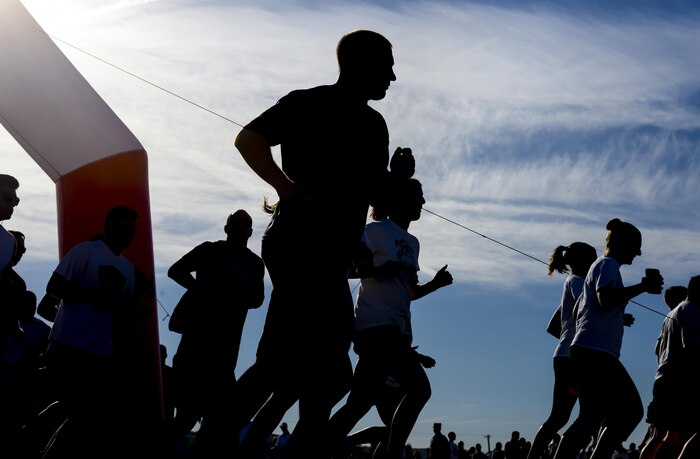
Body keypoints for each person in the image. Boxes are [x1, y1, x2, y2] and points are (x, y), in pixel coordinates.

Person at [232, 29, 415, 458]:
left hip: (328, 256)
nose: (392, 74)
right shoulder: (307, 102)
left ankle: (291, 447)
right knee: (292, 366)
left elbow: (373, 194)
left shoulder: (374, 124)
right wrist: (288, 189)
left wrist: (397, 176)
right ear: (359, 64)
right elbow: (248, 139)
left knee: (325, 374)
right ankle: (218, 439)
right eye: (386, 64)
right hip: (299, 245)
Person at [327, 177, 452, 459]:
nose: (423, 202)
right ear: (400, 200)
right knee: (419, 390)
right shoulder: (375, 231)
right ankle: (391, 455)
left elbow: (409, 292)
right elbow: (344, 269)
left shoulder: (413, 242)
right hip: (375, 326)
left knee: (359, 404)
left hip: (396, 331)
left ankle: (312, 444)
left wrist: (436, 284)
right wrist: (378, 271)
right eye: (418, 196)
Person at [37, 205, 148, 459]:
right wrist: (96, 297)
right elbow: (54, 285)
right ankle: (30, 439)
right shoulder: (85, 251)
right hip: (66, 344)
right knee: (59, 405)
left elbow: (121, 313)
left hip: (99, 353)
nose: (129, 234)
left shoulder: (129, 270)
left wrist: (132, 312)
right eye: (123, 228)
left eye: (132, 230)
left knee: (84, 414)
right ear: (109, 226)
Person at [552, 218, 664, 459]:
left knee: (592, 416)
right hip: (596, 352)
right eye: (636, 246)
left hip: (588, 349)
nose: (639, 252)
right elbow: (606, 299)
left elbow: (580, 309)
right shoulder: (608, 265)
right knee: (630, 411)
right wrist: (643, 287)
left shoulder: (600, 267)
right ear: (623, 244)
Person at [167, 209, 265, 457]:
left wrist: (231, 295)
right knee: (186, 416)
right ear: (227, 227)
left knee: (221, 422)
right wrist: (201, 290)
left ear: (251, 232)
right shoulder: (209, 250)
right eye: (236, 222)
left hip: (225, 354)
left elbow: (258, 299)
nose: (241, 226)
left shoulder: (255, 263)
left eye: (246, 224)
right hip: (194, 347)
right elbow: (175, 270)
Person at [527, 242, 598, 459]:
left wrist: (570, 338)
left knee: (560, 418)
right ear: (583, 262)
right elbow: (584, 308)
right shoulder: (578, 282)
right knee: (589, 415)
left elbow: (553, 326)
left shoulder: (572, 283)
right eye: (593, 260)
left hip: (565, 356)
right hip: (573, 359)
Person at [639, 285, 688, 459]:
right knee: (677, 436)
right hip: (677, 382)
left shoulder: (666, 321)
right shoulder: (683, 316)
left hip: (661, 380)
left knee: (657, 436)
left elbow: (656, 350)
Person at [0, 174, 22, 339]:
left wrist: (14, 326)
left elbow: (6, 286)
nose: (12, 205)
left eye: (15, 201)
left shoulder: (9, 241)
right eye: (8, 198)